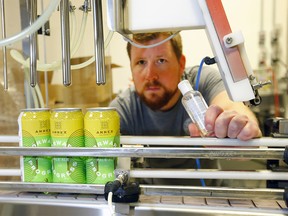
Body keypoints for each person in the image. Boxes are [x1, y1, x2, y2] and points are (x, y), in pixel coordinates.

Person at [109, 32, 262, 186]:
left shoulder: (202, 81)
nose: (150, 75)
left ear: (181, 64)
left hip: (211, 196)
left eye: (161, 60)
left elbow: (231, 107)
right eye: (141, 62)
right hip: (151, 200)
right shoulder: (124, 107)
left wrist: (237, 126)